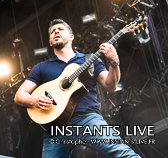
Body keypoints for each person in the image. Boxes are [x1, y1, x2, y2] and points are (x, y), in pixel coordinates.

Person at [14, 19, 141, 157]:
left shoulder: (90, 60)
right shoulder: (41, 67)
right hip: (55, 129)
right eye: (52, 32)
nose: (56, 31)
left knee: (122, 153)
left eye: (60, 29)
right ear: (50, 42)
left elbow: (110, 86)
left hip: (88, 120)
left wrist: (114, 62)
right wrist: (34, 101)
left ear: (71, 36)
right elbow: (19, 95)